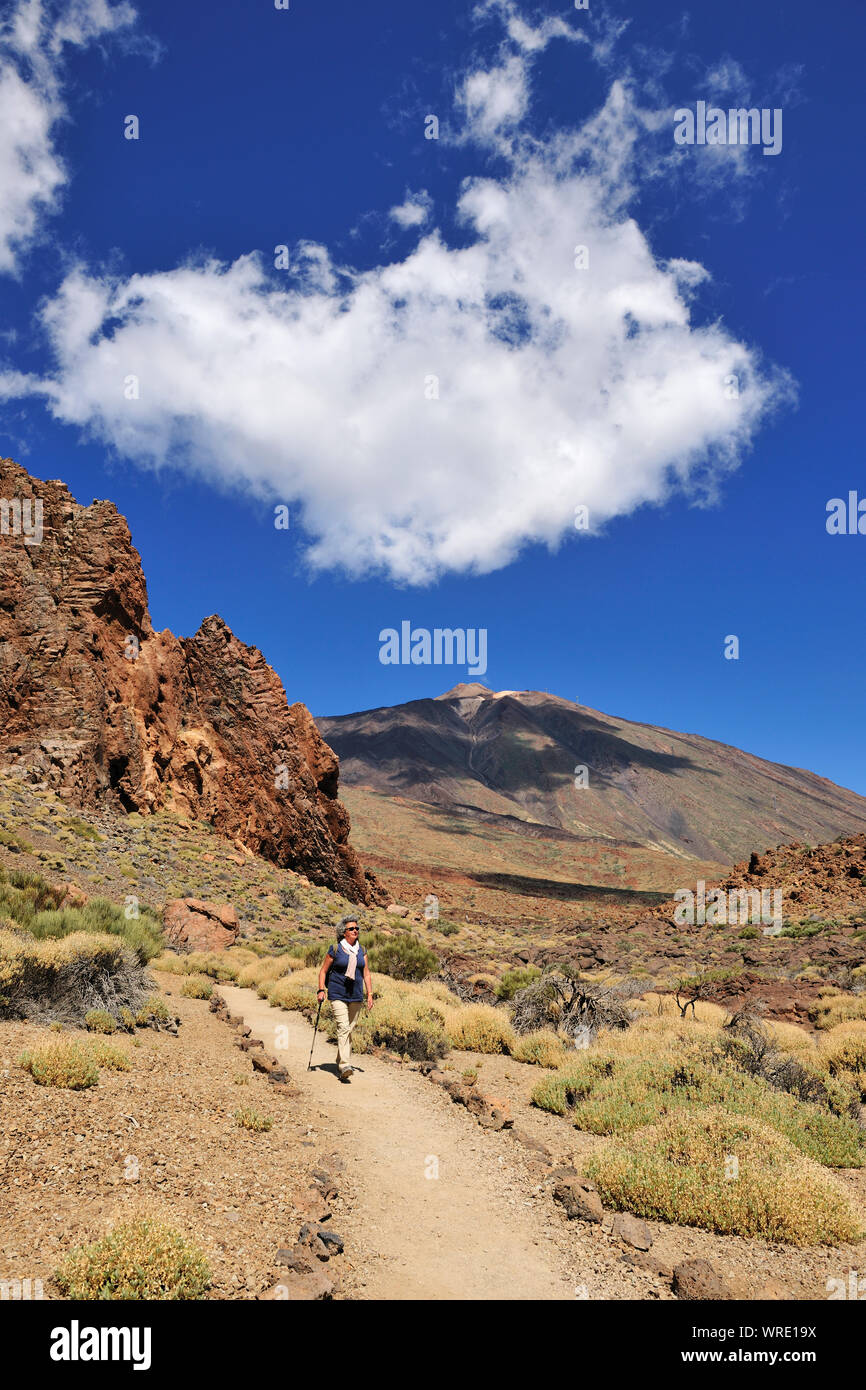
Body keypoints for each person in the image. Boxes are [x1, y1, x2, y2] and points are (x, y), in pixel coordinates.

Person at [317, 914, 373, 1082]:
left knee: (349, 1029)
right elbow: (323, 971)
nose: (355, 930)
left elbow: (366, 973)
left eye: (357, 928)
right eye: (351, 929)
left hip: (356, 995)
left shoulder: (361, 951)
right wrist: (321, 989)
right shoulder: (335, 949)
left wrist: (370, 994)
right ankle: (344, 1066)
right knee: (343, 1027)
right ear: (344, 932)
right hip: (337, 993)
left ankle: (339, 1059)